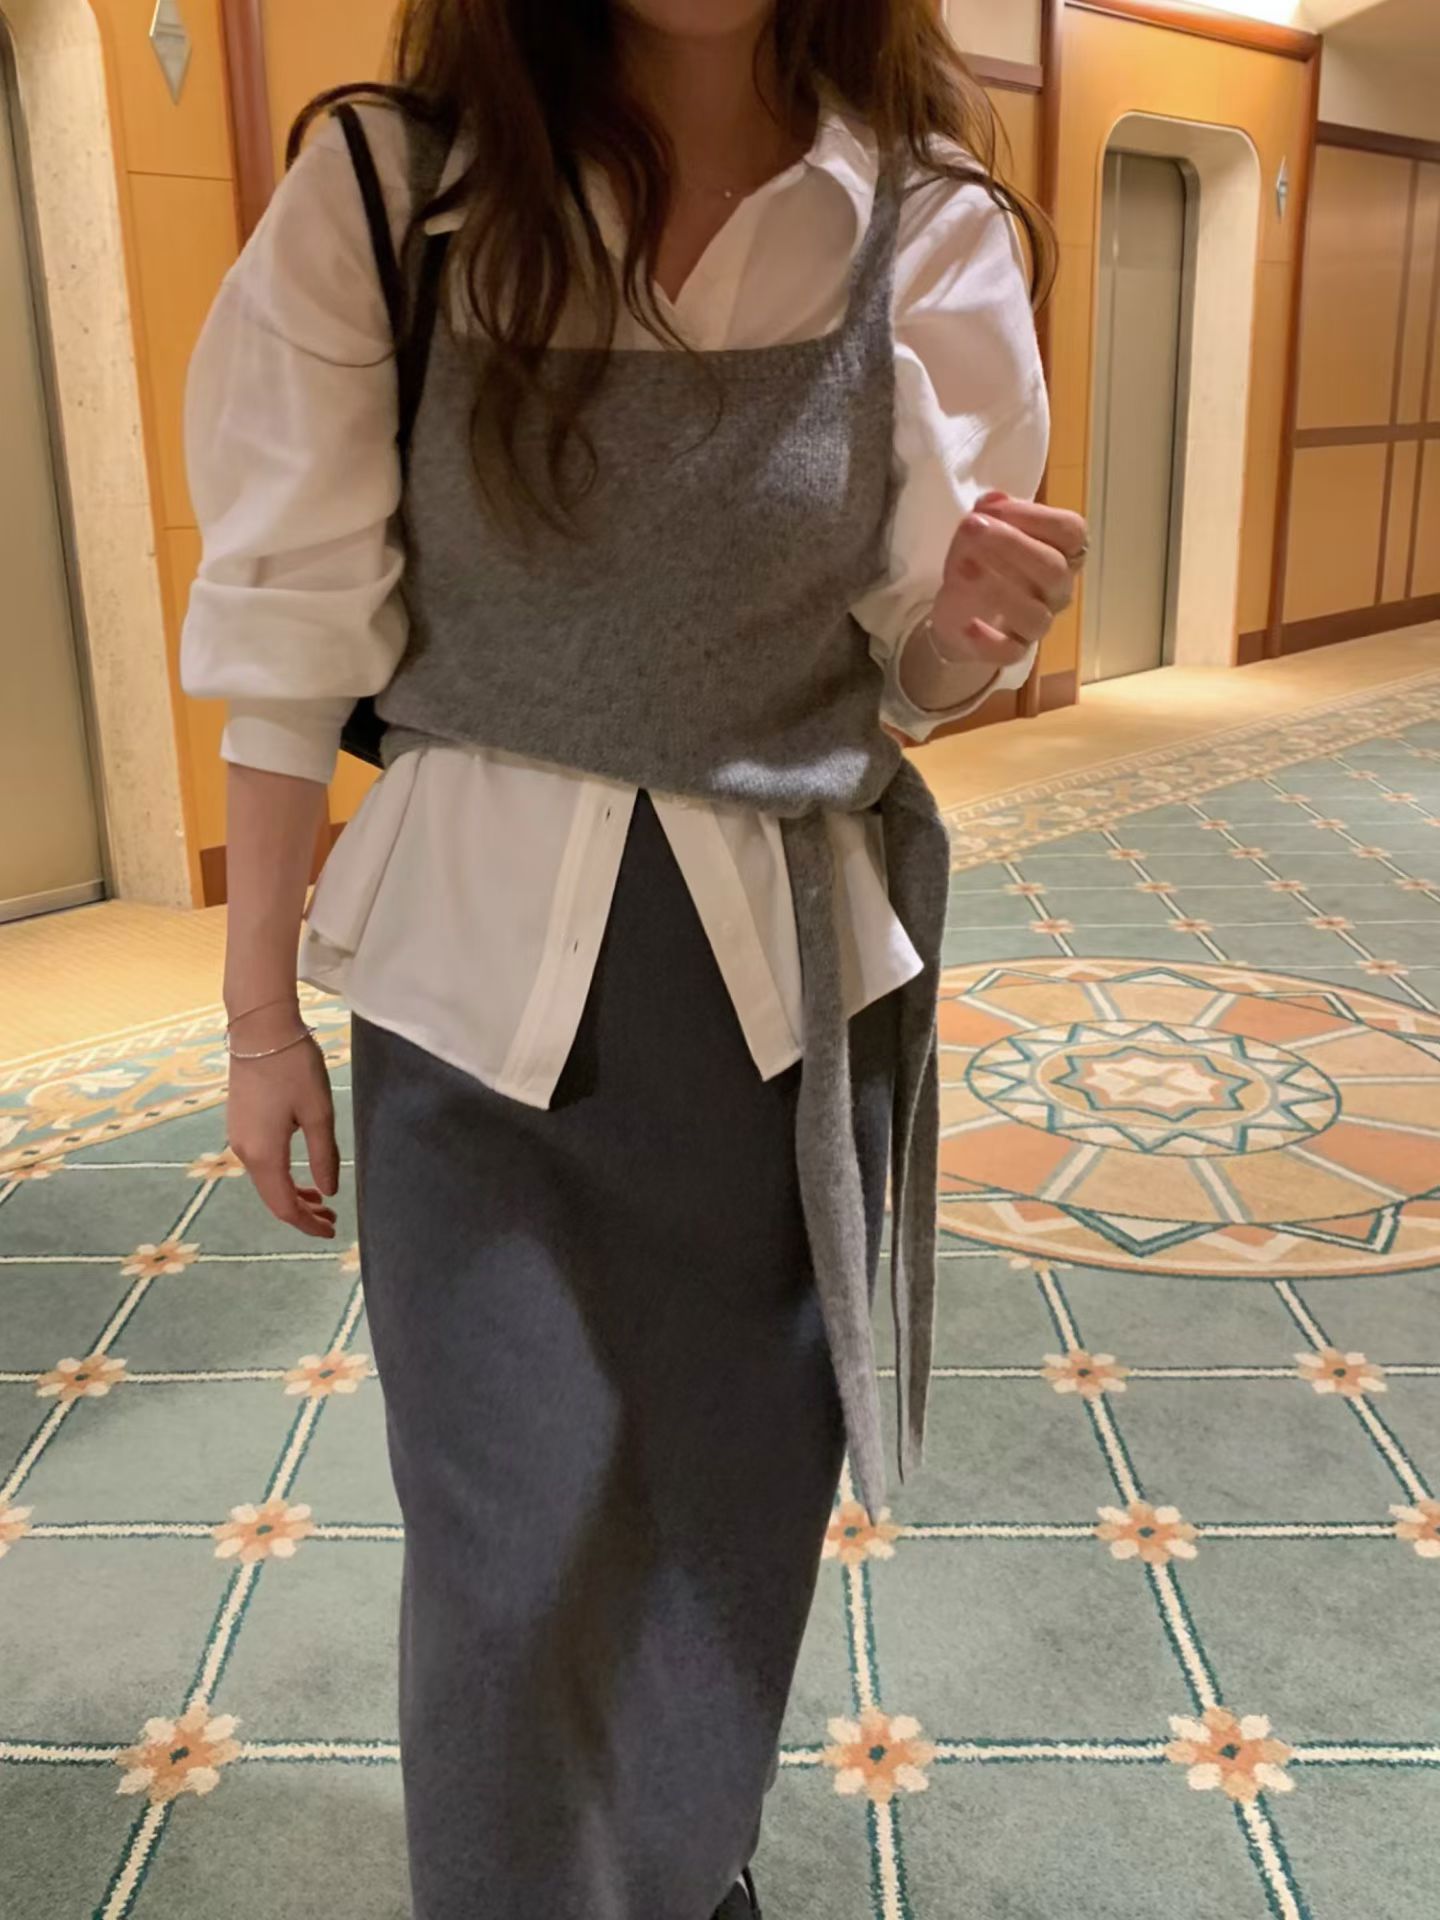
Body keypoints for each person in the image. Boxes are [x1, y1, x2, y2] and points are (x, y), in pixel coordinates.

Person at [180, 2, 1085, 1914]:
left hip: (782, 1010)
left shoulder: (923, 223)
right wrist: (260, 1022)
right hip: (469, 996)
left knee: (724, 1515)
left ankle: (681, 1873)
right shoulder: (392, 192)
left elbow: (911, 673)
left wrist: (970, 630)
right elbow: (287, 642)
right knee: (505, 1548)